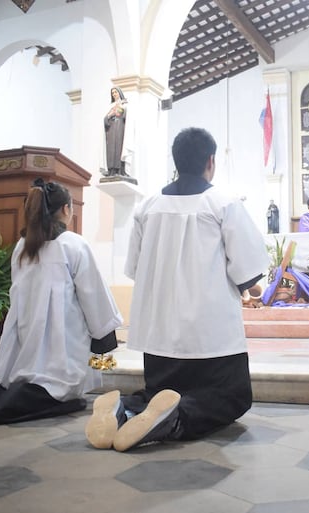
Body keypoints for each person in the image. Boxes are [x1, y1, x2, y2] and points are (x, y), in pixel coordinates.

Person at [85, 127, 269, 452]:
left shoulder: (148, 207)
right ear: (210, 161)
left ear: (177, 160)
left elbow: (136, 268)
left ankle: (125, 409)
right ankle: (174, 419)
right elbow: (246, 270)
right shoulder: (223, 204)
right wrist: (254, 288)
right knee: (232, 397)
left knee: (158, 392)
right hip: (210, 336)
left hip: (160, 333)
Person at [0, 178, 123, 425]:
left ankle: (1, 395)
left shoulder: (22, 246)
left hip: (26, 340)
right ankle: (5, 405)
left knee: (33, 378)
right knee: (66, 379)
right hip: (63, 346)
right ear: (66, 209)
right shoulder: (73, 244)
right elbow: (94, 295)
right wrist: (103, 333)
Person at [103, 87, 130, 177]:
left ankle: (120, 170)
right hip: (111, 128)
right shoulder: (110, 106)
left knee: (119, 147)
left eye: (116, 92)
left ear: (119, 93)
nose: (114, 94)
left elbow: (126, 116)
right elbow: (105, 119)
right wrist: (110, 115)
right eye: (113, 93)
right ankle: (111, 170)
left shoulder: (124, 103)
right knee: (110, 149)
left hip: (120, 127)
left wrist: (121, 107)